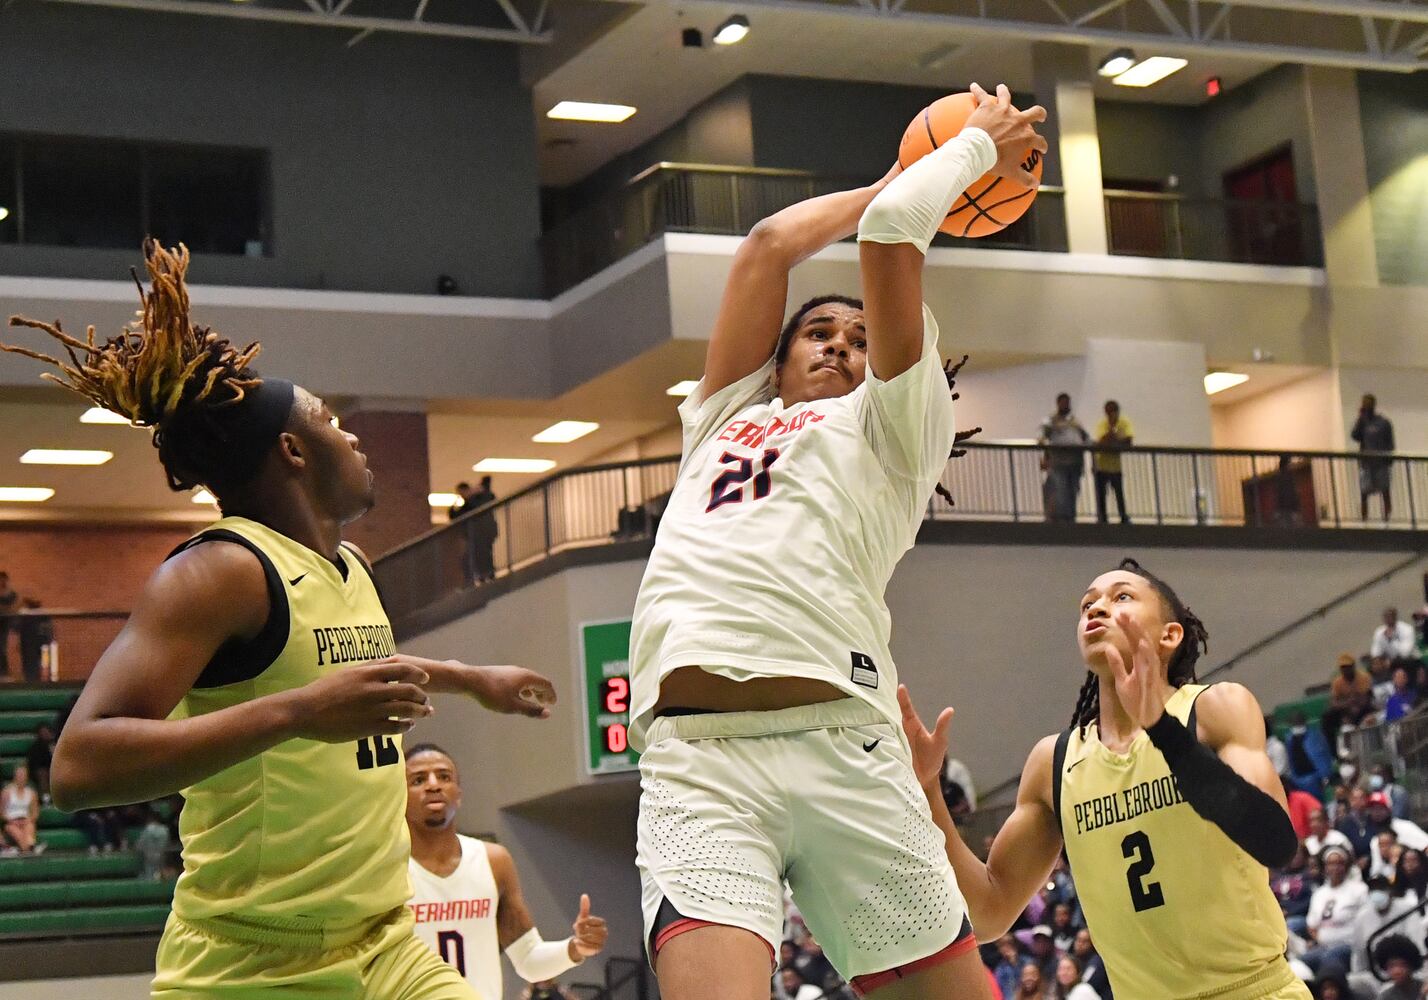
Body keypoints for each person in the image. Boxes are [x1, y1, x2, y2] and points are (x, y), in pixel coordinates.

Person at [2, 240, 558, 999]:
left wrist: (471, 678)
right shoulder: (218, 572)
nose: (354, 434)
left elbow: (343, 673)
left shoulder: (353, 567)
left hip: (385, 942)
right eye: (333, 418)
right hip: (250, 962)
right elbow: (77, 768)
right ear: (293, 451)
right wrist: (300, 711)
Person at [625, 84, 1046, 1000]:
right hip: (700, 766)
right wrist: (910, 164)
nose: (841, 345)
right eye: (818, 331)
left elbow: (893, 236)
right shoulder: (724, 417)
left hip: (844, 748)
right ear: (773, 362)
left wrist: (967, 151)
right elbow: (771, 244)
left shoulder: (895, 424)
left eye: (860, 336)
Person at [901, 558, 1309, 999]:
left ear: (1169, 635)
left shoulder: (1214, 710)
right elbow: (989, 912)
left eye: (1122, 597)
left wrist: (1163, 731)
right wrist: (927, 791)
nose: (1096, 609)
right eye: (1087, 604)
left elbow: (1277, 843)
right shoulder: (1053, 761)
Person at [405, 743, 608, 999]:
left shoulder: (493, 861)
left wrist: (576, 948)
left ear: (459, 793)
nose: (433, 785)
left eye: (444, 776)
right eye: (418, 779)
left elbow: (529, 960)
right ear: (397, 796)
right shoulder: (385, 869)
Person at [1303, 845, 1368, 974]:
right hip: (1323, 946)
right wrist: (1320, 940)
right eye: (1330, 864)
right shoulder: (1319, 893)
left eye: (1339, 863)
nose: (1335, 868)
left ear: (1346, 866)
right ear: (1325, 867)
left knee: (1329, 958)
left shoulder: (1359, 889)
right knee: (1301, 962)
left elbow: (1365, 920)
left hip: (1349, 945)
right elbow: (1311, 925)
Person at [1039, 394, 1089, 523]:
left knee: (1073, 490)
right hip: (1058, 461)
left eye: (1067, 403)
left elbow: (1085, 438)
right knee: (1060, 490)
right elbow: (1042, 439)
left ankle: (1071, 517)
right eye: (1063, 403)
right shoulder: (1050, 421)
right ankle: (1062, 519)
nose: (1066, 405)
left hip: (1075, 461)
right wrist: (1045, 458)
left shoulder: (1076, 421)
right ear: (1058, 404)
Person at [1351, 394, 1394, 523]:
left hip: (1381, 463)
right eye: (1365, 404)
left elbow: (1390, 442)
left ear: (1373, 405)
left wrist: (1389, 459)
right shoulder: (1363, 422)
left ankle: (1387, 519)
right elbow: (1355, 436)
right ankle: (1364, 520)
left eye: (1368, 404)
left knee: (1385, 491)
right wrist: (1360, 418)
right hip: (1366, 463)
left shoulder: (1383, 423)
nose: (1366, 406)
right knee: (1364, 493)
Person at [1091, 401, 1132, 525]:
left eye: (1113, 411)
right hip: (1101, 464)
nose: (1111, 414)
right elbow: (1100, 442)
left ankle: (1123, 516)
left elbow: (1128, 441)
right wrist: (1112, 437)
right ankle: (1102, 517)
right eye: (1109, 412)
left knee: (1119, 492)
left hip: (1115, 466)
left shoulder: (1124, 423)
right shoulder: (1102, 424)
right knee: (1101, 493)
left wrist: (1112, 441)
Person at [1323, 654, 1374, 747]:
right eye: (1343, 667)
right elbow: (1333, 702)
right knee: (1327, 717)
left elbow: (1366, 698)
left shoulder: (1363, 677)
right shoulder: (1337, 682)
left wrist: (1353, 705)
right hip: (1345, 711)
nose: (1345, 670)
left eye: (1348, 667)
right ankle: (1335, 751)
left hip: (1363, 709)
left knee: (1370, 710)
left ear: (1353, 666)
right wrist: (1346, 706)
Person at [1285, 710, 1335, 798]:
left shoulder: (1315, 737)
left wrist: (1325, 776)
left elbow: (1325, 755)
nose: (1297, 725)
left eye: (1298, 722)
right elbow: (1290, 760)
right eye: (1294, 723)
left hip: (1316, 777)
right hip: (1298, 778)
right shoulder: (1290, 739)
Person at [1, 763, 41, 856]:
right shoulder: (6, 792)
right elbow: (1, 812)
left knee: (29, 827)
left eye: (23, 775)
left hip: (26, 820)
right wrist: (10, 820)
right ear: (15, 776)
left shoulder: (31, 793)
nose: (21, 778)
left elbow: (35, 812)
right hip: (11, 822)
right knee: (16, 831)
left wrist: (28, 820)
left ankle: (30, 846)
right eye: (19, 775)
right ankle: (29, 849)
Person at [1369, 934, 1422, 1000]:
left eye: (1402, 965)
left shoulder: (1424, 988)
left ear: (1412, 965)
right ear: (1385, 968)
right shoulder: (1385, 997)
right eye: (1391, 966)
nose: (1397, 971)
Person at [467, 476, 499, 583]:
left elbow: (474, 506)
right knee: (487, 552)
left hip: (481, 530)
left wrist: (472, 495)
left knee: (480, 553)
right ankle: (488, 573)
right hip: (488, 529)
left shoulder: (480, 497)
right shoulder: (490, 495)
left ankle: (484, 574)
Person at [17, 597, 54, 682]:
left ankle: (35, 681)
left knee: (34, 666)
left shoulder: (25, 614)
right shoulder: (44, 615)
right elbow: (49, 631)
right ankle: (43, 681)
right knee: (43, 664)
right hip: (40, 645)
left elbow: (17, 628)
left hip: (31, 646)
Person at [24, 723, 58, 803]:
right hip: (38, 773)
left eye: (47, 732)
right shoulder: (35, 747)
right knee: (42, 774)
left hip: (55, 770)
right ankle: (46, 798)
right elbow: (33, 764)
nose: (45, 734)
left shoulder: (55, 745)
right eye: (43, 732)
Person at [0, 571, 16, 677]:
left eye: (3, 579)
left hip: (5, 623)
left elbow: (13, 607)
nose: (2, 582)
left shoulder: (11, 594)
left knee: (2, 647)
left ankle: (4, 673)